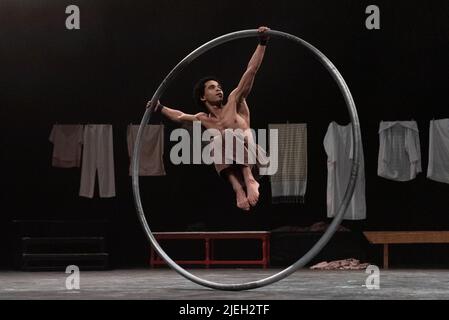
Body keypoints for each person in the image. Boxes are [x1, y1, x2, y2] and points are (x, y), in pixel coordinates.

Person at [148, 26, 270, 211]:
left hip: (255, 160)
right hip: (232, 167)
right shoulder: (202, 118)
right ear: (203, 97)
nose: (219, 89)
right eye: (212, 87)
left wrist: (262, 43)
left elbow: (251, 70)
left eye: (219, 86)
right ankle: (237, 188)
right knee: (216, 140)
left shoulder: (235, 100)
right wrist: (160, 107)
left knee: (226, 134)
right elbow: (179, 116)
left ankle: (250, 179)